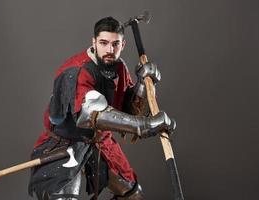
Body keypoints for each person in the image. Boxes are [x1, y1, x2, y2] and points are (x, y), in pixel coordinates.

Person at [28, 16, 176, 200]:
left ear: (123, 44)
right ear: (94, 42)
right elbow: (91, 114)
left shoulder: (119, 67)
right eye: (104, 43)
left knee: (132, 195)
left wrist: (143, 85)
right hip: (65, 142)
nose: (110, 50)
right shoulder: (76, 70)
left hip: (98, 141)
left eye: (115, 44)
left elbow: (128, 112)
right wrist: (146, 125)